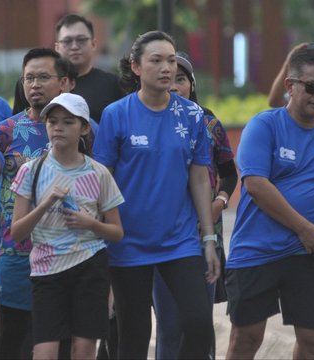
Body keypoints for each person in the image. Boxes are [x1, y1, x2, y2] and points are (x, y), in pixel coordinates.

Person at [93, 30, 220, 359]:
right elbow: (102, 179)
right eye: (156, 60)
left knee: (198, 325)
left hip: (179, 240)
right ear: (136, 67)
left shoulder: (192, 116)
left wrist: (208, 238)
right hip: (127, 240)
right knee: (134, 335)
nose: (166, 68)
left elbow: (200, 178)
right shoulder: (116, 115)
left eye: (171, 60)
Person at [225, 48, 314, 359]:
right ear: (290, 86)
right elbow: (255, 184)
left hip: (308, 254)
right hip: (256, 250)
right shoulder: (264, 125)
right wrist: (304, 227)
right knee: (246, 338)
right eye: (312, 86)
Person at [10, 92, 124, 360]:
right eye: (52, 121)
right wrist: (44, 204)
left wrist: (90, 223)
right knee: (45, 352)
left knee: (83, 351)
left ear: (84, 127)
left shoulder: (98, 172)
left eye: (68, 122)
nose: (58, 127)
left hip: (90, 266)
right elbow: (17, 232)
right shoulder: (31, 170)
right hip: (46, 270)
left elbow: (117, 232)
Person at [152, 51, 237, 360]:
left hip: (204, 238)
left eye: (181, 79)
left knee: (199, 325)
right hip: (162, 237)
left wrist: (218, 203)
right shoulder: (147, 119)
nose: (174, 86)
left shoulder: (208, 121)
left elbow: (229, 172)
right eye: (169, 78)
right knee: (169, 326)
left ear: (191, 84)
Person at [0, 48, 69, 359]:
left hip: (63, 250)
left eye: (43, 77)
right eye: (29, 78)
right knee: (11, 341)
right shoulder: (4, 132)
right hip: (13, 252)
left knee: (58, 341)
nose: (35, 84)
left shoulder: (82, 129)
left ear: (63, 82)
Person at [55, 14, 124, 123]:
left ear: (93, 44)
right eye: (67, 41)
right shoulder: (48, 84)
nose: (74, 47)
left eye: (81, 40)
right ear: (57, 47)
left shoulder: (114, 84)